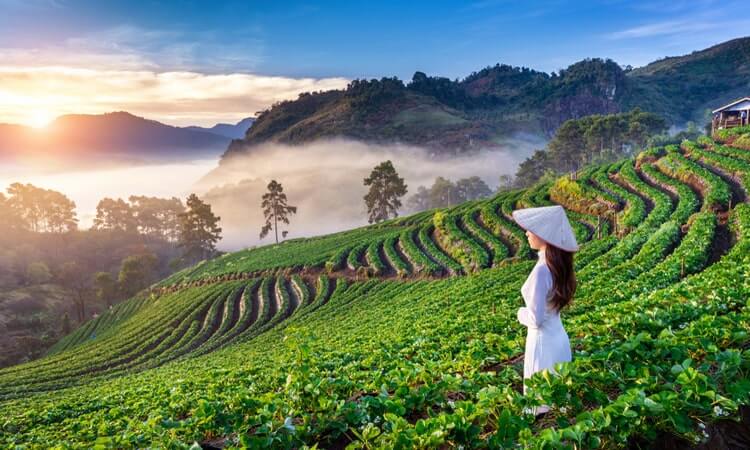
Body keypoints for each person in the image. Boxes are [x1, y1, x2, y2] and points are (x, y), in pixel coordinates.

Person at [511, 204, 579, 416]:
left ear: (545, 235)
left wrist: (518, 313)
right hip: (558, 339)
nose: (527, 233)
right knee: (557, 402)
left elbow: (535, 318)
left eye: (532, 229)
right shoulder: (556, 266)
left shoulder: (542, 270)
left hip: (542, 343)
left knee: (540, 405)